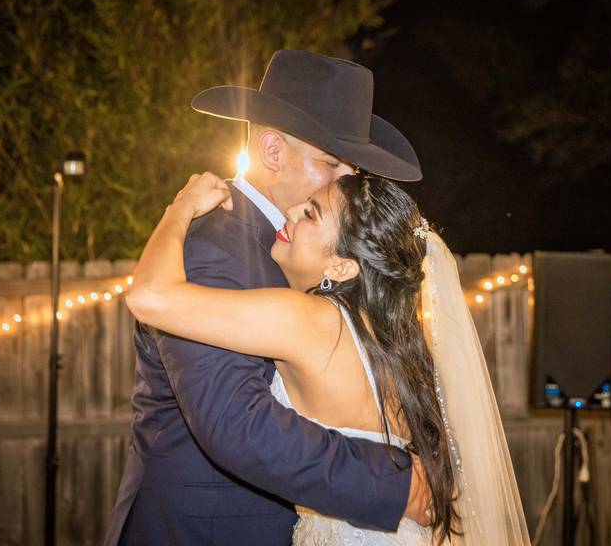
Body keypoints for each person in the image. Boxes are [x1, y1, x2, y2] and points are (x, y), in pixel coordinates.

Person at [103, 50, 432, 546]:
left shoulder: (311, 253)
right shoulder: (212, 244)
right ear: (274, 152)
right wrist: (392, 482)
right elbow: (235, 421)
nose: (348, 183)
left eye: (351, 168)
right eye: (330, 163)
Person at [126, 170, 531, 545]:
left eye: (311, 214)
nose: (291, 210)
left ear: (340, 265)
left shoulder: (310, 321)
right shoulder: (390, 341)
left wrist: (180, 208)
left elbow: (150, 297)